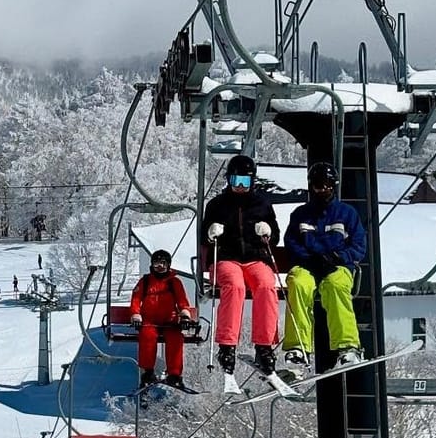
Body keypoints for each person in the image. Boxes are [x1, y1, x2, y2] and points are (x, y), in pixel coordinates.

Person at [281, 161, 367, 372]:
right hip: (307, 265)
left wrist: (337, 257)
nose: (322, 190)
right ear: (311, 186)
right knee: (298, 283)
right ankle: (298, 347)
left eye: (327, 185)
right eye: (318, 186)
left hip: (336, 265)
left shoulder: (347, 213)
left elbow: (359, 246)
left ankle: (348, 346)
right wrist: (308, 258)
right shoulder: (301, 214)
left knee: (336, 286)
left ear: (334, 186)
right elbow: (291, 241)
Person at [203, 154, 280, 376]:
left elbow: (274, 237)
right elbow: (204, 236)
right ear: (228, 180)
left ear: (252, 182)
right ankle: (227, 345)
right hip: (227, 258)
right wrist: (211, 233)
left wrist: (267, 231)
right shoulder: (217, 205)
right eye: (235, 181)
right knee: (235, 286)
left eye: (245, 182)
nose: (239, 186)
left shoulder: (262, 204)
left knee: (266, 285)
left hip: (256, 258)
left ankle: (264, 346)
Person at [129, 248, 194, 387]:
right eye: (156, 264)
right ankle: (147, 372)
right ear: (152, 265)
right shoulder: (145, 281)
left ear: (168, 265)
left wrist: (185, 316)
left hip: (169, 322)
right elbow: (136, 299)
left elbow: (182, 301)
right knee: (147, 336)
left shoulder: (174, 282)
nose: (160, 267)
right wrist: (136, 315)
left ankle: (174, 374)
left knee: (176, 338)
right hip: (149, 321)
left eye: (163, 264)